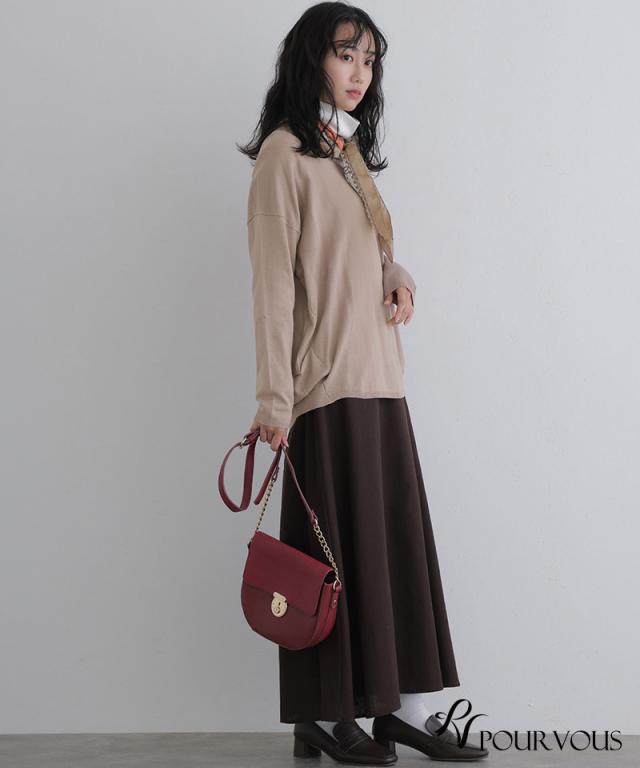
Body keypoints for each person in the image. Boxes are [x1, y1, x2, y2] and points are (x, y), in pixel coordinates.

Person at [237, 3, 487, 763]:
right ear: (311, 58)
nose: (359, 73)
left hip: (380, 380)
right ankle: (324, 714)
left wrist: (396, 273)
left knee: (392, 550)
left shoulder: (346, 153)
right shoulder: (284, 155)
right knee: (333, 562)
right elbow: (273, 288)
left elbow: (368, 254)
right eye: (346, 54)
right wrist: (274, 400)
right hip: (323, 388)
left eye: (370, 60)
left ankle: (403, 712)